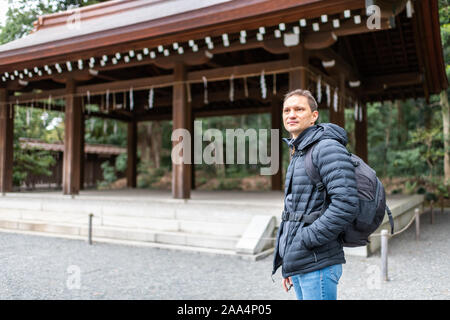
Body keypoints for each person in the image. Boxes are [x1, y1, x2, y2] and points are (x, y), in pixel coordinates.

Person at [271, 89, 359, 300]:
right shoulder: (299, 151)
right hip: (301, 259)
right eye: (287, 110)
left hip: (318, 260)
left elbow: (346, 204)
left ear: (314, 116)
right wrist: (288, 259)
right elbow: (295, 210)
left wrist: (305, 240)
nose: (291, 114)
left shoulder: (326, 148)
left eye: (299, 109)